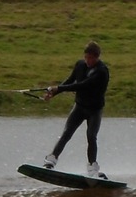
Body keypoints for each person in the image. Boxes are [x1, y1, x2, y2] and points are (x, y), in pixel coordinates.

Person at [43, 41, 110, 179]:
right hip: (79, 107)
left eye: (91, 58)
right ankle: (51, 160)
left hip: (94, 110)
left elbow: (82, 85)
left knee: (91, 136)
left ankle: (92, 169)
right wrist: (54, 92)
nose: (88, 61)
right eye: (86, 57)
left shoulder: (102, 71)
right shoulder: (80, 65)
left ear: (97, 57)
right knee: (67, 133)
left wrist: (58, 88)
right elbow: (70, 81)